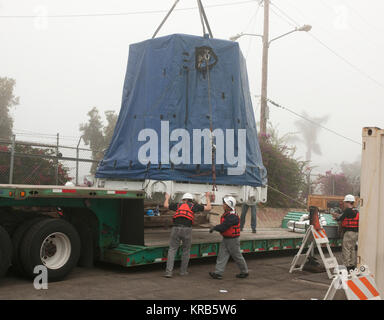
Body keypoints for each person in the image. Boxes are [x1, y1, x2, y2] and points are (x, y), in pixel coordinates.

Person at [163, 192, 211, 278]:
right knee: (186, 250)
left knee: (172, 250)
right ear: (191, 200)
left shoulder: (178, 205)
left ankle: (168, 272)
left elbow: (166, 205)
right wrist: (207, 197)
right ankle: (183, 272)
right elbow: (208, 208)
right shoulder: (194, 206)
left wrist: (167, 197)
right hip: (187, 229)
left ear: (183, 200)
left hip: (176, 229)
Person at [208, 196, 249, 280]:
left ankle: (244, 271)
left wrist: (214, 228)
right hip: (226, 238)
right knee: (222, 255)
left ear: (228, 205)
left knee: (237, 256)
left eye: (224, 203)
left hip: (233, 240)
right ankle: (218, 273)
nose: (223, 205)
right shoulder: (229, 214)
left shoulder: (232, 216)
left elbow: (224, 226)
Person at [331, 194, 359, 272]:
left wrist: (335, 216)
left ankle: (346, 266)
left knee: (346, 249)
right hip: (356, 233)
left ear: (348, 202)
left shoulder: (348, 210)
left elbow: (340, 218)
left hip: (349, 232)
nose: (344, 204)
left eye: (345, 202)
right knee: (352, 249)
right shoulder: (356, 211)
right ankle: (352, 265)